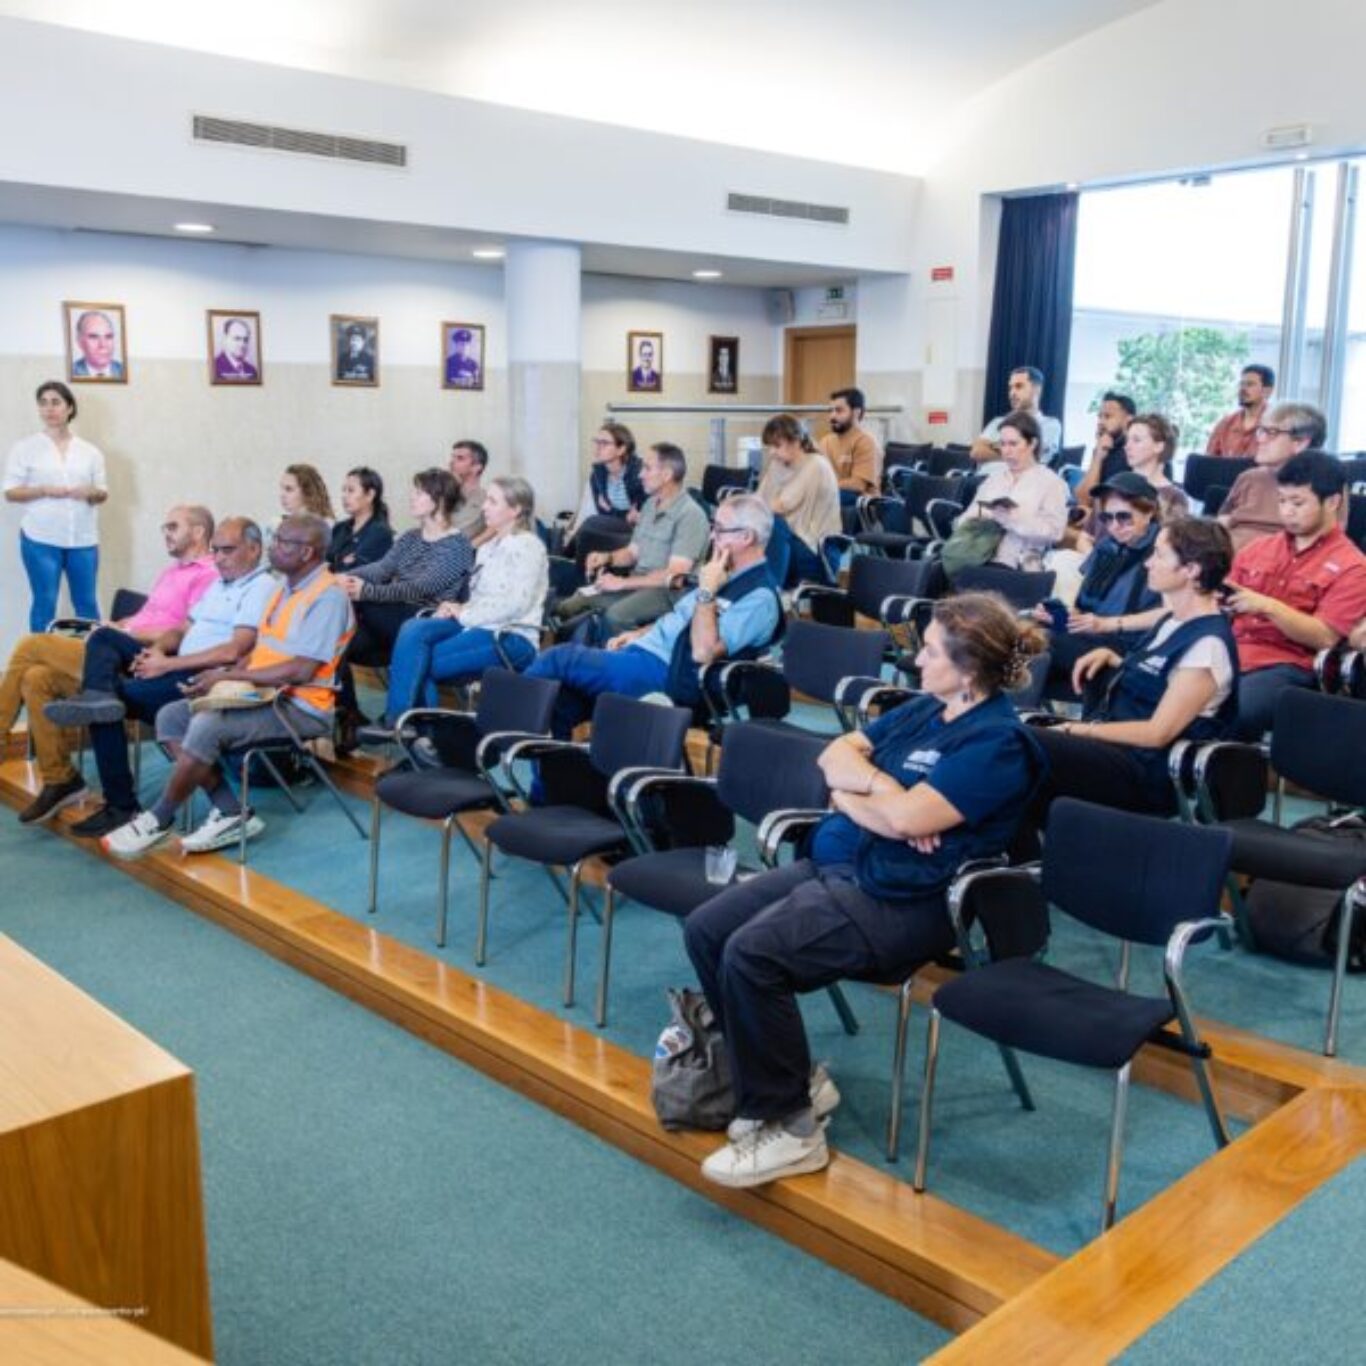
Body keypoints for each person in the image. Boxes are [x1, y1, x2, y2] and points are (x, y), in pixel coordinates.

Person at [684, 594, 1047, 1188]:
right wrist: (875, 796)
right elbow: (835, 756)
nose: (915, 660)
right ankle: (791, 1081)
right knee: (708, 929)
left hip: (905, 900)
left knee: (753, 954)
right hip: (841, 864)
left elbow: (904, 819)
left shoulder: (998, 744)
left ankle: (793, 1129)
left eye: (931, 652)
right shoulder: (926, 709)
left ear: (969, 671)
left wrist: (868, 794)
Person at [102, 515, 354, 860]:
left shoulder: (328, 597)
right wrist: (223, 675)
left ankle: (158, 818)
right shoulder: (284, 588)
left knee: (208, 725)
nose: (272, 548)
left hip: (301, 706)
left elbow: (301, 670)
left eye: (282, 542)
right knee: (172, 716)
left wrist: (226, 678)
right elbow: (261, 652)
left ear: (307, 552)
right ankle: (231, 810)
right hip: (264, 694)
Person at [51, 519, 278, 837]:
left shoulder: (261, 586)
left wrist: (167, 665)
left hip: (205, 678)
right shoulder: (219, 584)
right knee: (104, 638)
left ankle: (121, 805)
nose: (219, 558)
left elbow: (233, 651)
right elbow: (181, 630)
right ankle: (98, 696)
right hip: (175, 663)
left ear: (254, 550)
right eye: (215, 551)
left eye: (227, 550)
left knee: (110, 703)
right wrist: (156, 652)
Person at [0, 505, 217, 824]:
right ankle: (61, 779)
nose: (166, 534)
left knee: (31, 646)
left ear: (198, 532)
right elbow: (146, 618)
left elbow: (184, 633)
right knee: (36, 677)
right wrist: (118, 624)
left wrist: (123, 633)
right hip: (116, 649)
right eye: (165, 528)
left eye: (173, 527)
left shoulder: (209, 575)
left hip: (145, 661)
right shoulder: (171, 572)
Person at [1026, 518, 1239, 829]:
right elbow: (1161, 676)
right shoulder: (1171, 621)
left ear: (1191, 570)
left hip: (1144, 772)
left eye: (1159, 555)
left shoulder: (1208, 645)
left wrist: (1077, 730)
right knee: (1014, 756)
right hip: (1116, 751)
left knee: (1021, 744)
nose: (1148, 563)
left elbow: (1157, 733)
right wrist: (1117, 661)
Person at [526, 494, 782, 737]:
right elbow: (680, 617)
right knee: (563, 702)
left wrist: (706, 592)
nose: (712, 536)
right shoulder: (722, 573)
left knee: (560, 658)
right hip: (644, 654)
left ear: (746, 537)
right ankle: (548, 768)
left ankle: (504, 721)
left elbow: (703, 652)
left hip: (669, 674)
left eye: (719, 529)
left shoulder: (759, 598)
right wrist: (639, 633)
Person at [368, 477, 549, 728]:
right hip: (477, 625)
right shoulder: (487, 548)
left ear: (515, 509)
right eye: (486, 500)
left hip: (511, 636)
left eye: (493, 501)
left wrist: (463, 613)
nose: (484, 507)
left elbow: (513, 606)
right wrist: (456, 607)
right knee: (414, 628)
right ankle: (405, 727)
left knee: (418, 663)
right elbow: (480, 600)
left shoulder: (528, 546)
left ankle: (407, 727)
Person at [1224, 451, 1366, 739]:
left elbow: (1324, 636)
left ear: (1332, 502)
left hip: (1286, 666)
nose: (1286, 511)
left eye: (1297, 503)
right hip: (1230, 649)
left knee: (1232, 707)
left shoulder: (1353, 566)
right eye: (1282, 501)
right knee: (1153, 682)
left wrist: (1268, 606)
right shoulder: (1259, 548)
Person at [333, 468, 475, 743]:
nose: (412, 497)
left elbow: (420, 588)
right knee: (334, 640)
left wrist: (365, 591)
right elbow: (381, 569)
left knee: (359, 606)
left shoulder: (457, 546)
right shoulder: (411, 537)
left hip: (424, 619)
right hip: (389, 621)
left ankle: (412, 728)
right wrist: (341, 578)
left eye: (419, 493)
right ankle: (349, 715)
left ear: (439, 500)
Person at [554, 443, 710, 638]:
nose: (640, 475)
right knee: (571, 605)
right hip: (638, 583)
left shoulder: (690, 515)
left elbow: (675, 576)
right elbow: (632, 553)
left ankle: (620, 655)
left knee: (616, 616)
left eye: (647, 468)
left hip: (667, 592)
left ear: (666, 475)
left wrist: (622, 583)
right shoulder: (650, 505)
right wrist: (607, 558)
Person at [1035, 472, 1162, 682]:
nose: (1114, 526)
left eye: (1124, 517)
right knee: (1022, 626)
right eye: (1107, 518)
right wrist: (1061, 616)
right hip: (1091, 633)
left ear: (1149, 512)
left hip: (1126, 648)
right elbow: (1084, 607)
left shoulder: (1164, 551)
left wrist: (1107, 624)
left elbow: (1173, 614)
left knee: (1035, 641)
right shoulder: (1106, 547)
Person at [5, 380, 108, 631]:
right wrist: (43, 490)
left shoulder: (90, 452)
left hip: (83, 540)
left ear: (69, 408)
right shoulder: (24, 448)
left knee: (86, 603)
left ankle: (91, 654)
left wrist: (90, 492)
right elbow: (10, 492)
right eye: (43, 403)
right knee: (45, 603)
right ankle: (41, 656)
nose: (49, 409)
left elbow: (102, 493)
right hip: (40, 539)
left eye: (55, 402)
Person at [1219, 402, 1342, 551]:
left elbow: (1326, 543)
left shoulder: (1328, 482)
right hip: (1225, 555)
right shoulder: (1249, 477)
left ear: (1300, 443)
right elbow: (1223, 521)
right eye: (1261, 430)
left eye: (1271, 432)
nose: (1260, 439)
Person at [957, 412, 1069, 572]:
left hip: (1019, 564)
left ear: (1032, 444)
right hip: (979, 556)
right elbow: (963, 520)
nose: (1006, 451)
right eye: (1002, 444)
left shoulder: (1051, 483)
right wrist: (983, 514)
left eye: (1013, 444)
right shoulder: (994, 479)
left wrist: (1013, 519)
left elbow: (1055, 532)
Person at [756, 414, 841, 587]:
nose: (772, 452)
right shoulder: (778, 464)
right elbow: (758, 501)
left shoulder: (816, 464)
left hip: (815, 552)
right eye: (770, 447)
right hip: (789, 544)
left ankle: (769, 593)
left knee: (774, 524)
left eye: (777, 446)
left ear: (795, 442)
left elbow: (780, 506)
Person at [564, 424, 647, 557]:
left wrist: (612, 512)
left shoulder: (639, 473)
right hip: (611, 527)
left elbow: (640, 516)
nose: (597, 447)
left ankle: (563, 558)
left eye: (604, 443)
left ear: (621, 449)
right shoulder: (597, 475)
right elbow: (595, 511)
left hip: (637, 532)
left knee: (592, 524)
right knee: (589, 529)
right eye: (596, 442)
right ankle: (565, 559)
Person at [970, 366, 1063, 465]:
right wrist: (1018, 450)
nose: (1012, 393)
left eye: (1019, 386)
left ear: (1036, 389)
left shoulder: (1050, 424)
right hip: (985, 474)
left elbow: (1035, 455)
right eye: (1010, 388)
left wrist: (992, 447)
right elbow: (976, 451)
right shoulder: (997, 422)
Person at [818, 386, 883, 506]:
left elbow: (858, 485)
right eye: (831, 411)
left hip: (860, 500)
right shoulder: (825, 441)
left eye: (839, 411)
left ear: (856, 413)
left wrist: (824, 486)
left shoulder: (866, 442)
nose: (832, 416)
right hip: (833, 493)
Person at [1122, 413, 1189, 522]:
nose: (1127, 446)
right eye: (1127, 440)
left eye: (1136, 440)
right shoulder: (1115, 486)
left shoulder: (1175, 498)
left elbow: (1173, 532)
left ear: (1159, 446)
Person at [1075, 391, 1136, 508]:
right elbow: (1083, 499)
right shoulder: (1103, 449)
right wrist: (1098, 457)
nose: (1101, 422)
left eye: (1108, 416)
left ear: (1128, 420)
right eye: (1099, 416)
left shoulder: (1133, 453)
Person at [328, 467, 394, 571]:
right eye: (343, 490)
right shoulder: (339, 528)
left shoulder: (380, 533)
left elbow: (355, 571)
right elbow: (322, 565)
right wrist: (341, 562)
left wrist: (336, 563)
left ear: (370, 495)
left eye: (351, 490)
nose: (344, 496)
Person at [1207, 364, 1274, 458]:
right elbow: (1208, 461)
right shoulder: (1226, 424)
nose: (1242, 389)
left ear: (1267, 391)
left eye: (1250, 384)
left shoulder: (1276, 425)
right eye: (1241, 384)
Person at [274, 463, 334, 541]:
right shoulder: (278, 524)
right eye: (282, 488)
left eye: (289, 489)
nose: (282, 495)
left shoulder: (328, 527)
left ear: (307, 492)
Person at [448, 439, 492, 544]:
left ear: (477, 467)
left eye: (460, 458)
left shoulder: (487, 500)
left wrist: (469, 547)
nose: (451, 462)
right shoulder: (444, 494)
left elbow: (495, 529)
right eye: (452, 457)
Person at [70, 310, 124, 380]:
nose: (103, 345)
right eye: (94, 337)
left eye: (108, 337)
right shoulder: (73, 371)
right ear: (79, 342)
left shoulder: (122, 370)